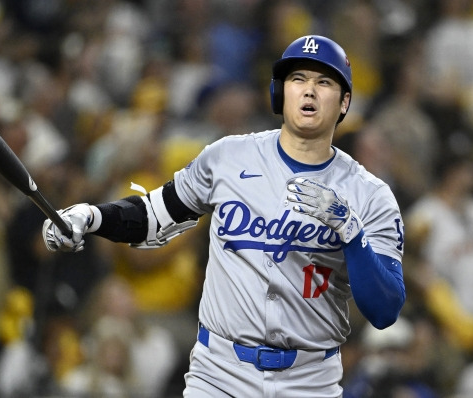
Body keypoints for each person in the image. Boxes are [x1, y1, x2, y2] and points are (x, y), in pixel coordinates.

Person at [42, 35, 406, 397]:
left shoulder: (369, 194)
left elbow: (385, 310)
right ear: (280, 93)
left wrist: (351, 232)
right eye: (298, 79)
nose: (309, 91)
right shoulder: (227, 158)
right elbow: (154, 214)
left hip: (309, 378)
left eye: (323, 82)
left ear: (344, 102)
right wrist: (92, 217)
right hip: (220, 373)